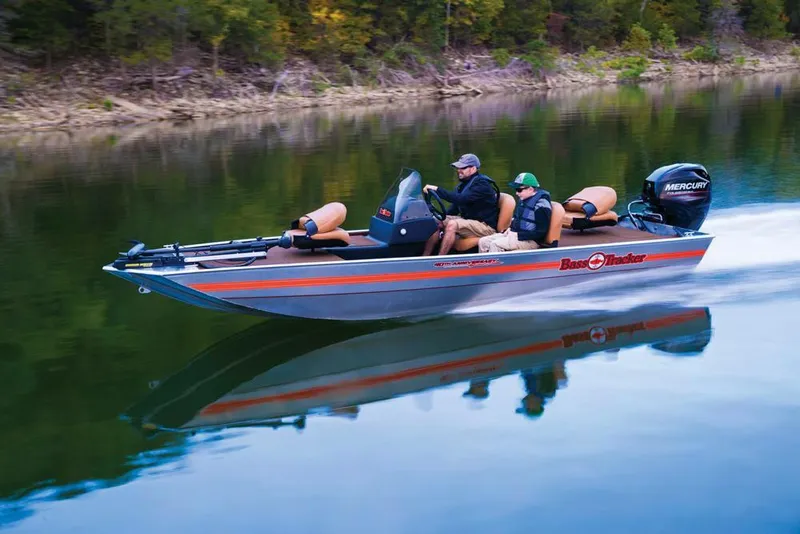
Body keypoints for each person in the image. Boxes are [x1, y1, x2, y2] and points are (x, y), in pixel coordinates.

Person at [421, 153, 500, 256]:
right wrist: (441, 218)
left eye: (462, 167)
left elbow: (461, 199)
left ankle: (440, 260)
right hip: (470, 221)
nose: (459, 170)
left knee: (452, 224)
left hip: (485, 227)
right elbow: (455, 207)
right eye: (458, 167)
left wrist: (437, 190)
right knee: (435, 221)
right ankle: (424, 257)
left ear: (473, 169)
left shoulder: (482, 185)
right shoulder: (463, 186)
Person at [478, 172, 552, 253]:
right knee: (483, 242)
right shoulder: (524, 200)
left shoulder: (541, 205)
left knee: (495, 244)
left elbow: (541, 232)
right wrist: (510, 229)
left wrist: (518, 235)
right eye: (516, 190)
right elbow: (518, 220)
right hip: (516, 235)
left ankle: (497, 265)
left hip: (531, 241)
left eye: (519, 190)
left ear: (530, 189)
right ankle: (485, 264)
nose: (516, 193)